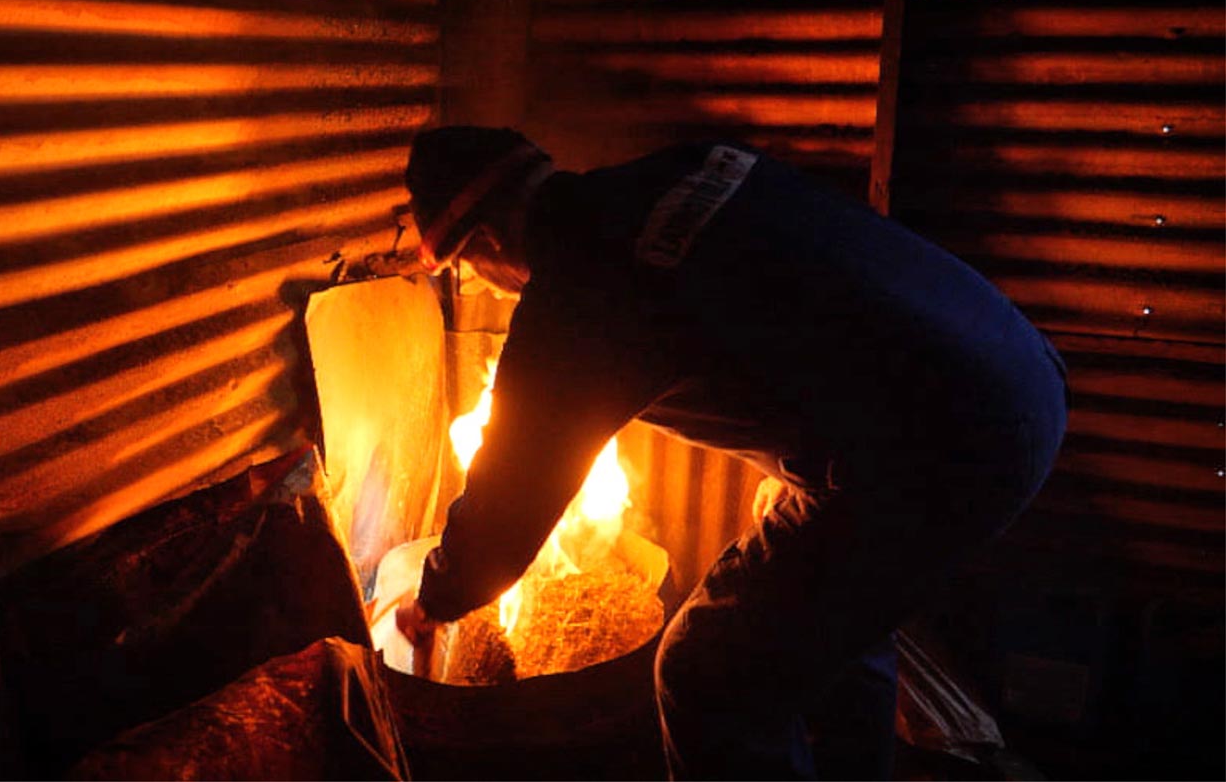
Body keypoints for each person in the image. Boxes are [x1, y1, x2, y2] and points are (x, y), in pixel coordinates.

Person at [394, 126, 1069, 780]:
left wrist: (439, 595)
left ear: (484, 239)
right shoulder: (689, 166)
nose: (489, 287)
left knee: (702, 673)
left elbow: (511, 501)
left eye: (473, 272)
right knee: (837, 611)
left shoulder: (580, 291)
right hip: (1018, 372)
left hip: (942, 450)